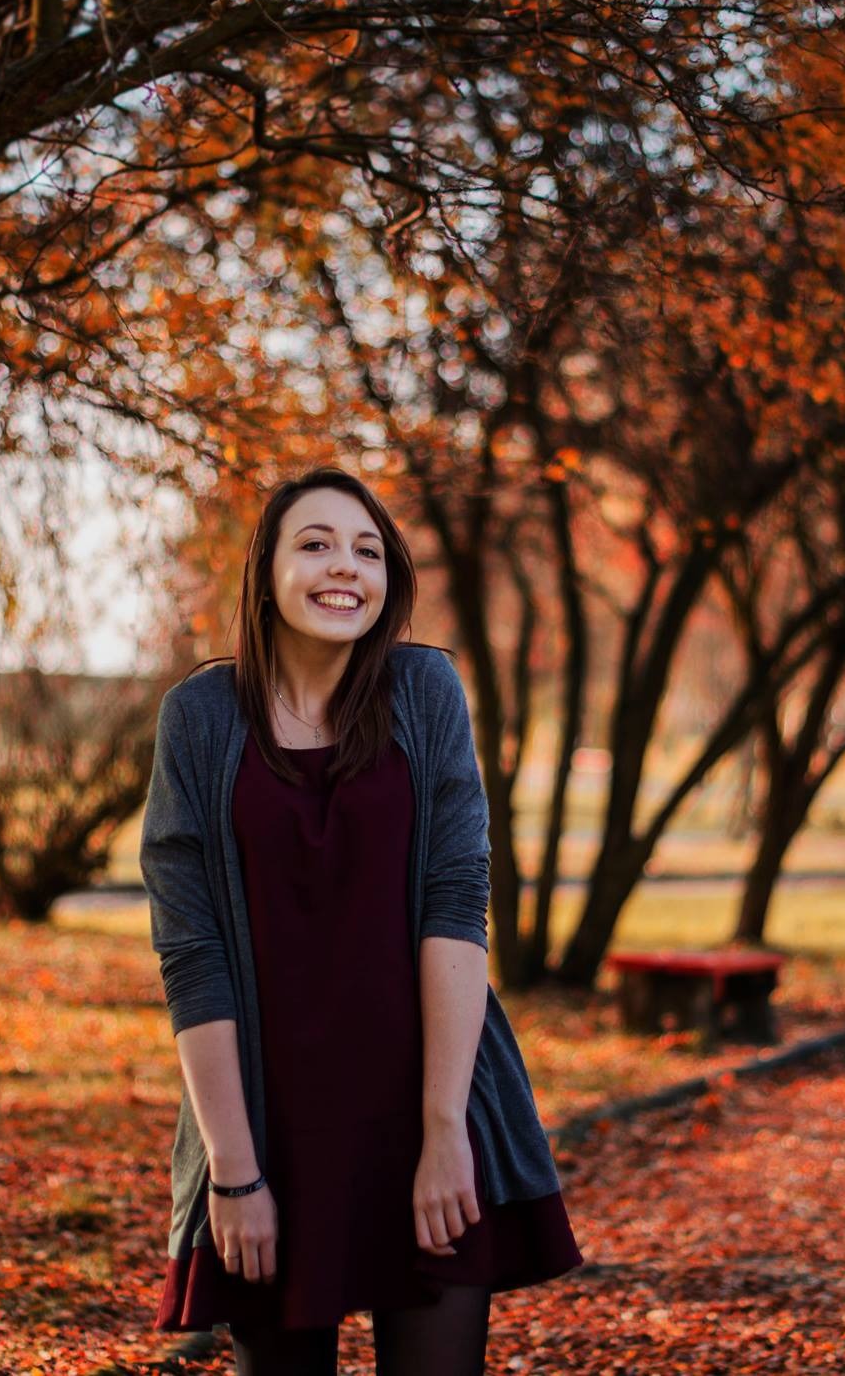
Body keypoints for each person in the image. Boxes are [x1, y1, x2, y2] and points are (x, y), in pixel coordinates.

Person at [144, 466, 583, 1375]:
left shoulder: (424, 694)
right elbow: (194, 958)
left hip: (427, 1105)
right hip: (267, 1126)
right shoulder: (199, 717)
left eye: (368, 550)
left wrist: (443, 1132)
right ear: (265, 572)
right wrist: (235, 1170)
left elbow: (457, 908)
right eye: (315, 544)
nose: (345, 567)